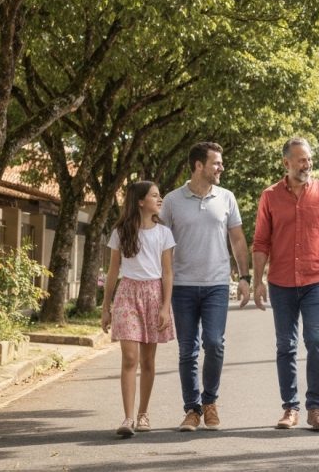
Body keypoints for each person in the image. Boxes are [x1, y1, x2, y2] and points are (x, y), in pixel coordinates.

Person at [253, 137, 319, 431]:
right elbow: (260, 241)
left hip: (316, 279)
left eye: (309, 159)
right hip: (280, 281)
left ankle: (315, 408)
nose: (307, 164)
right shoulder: (269, 197)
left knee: (316, 339)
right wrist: (257, 281)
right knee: (285, 345)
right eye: (301, 160)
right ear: (286, 163)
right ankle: (290, 408)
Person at [159, 142, 251, 432]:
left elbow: (237, 239)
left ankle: (209, 401)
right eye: (216, 163)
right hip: (183, 286)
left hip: (216, 285)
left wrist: (245, 277)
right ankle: (192, 409)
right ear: (199, 165)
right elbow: (161, 244)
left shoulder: (227, 198)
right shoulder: (172, 201)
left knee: (214, 343)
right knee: (188, 350)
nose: (221, 167)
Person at [101, 181, 176, 437]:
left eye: (160, 195)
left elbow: (167, 272)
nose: (160, 199)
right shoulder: (121, 232)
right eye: (155, 195)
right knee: (130, 358)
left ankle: (144, 413)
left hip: (154, 294)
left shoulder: (164, 233)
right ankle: (128, 418)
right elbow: (112, 272)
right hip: (127, 295)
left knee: (148, 360)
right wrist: (105, 307)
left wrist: (166, 306)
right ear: (140, 201)